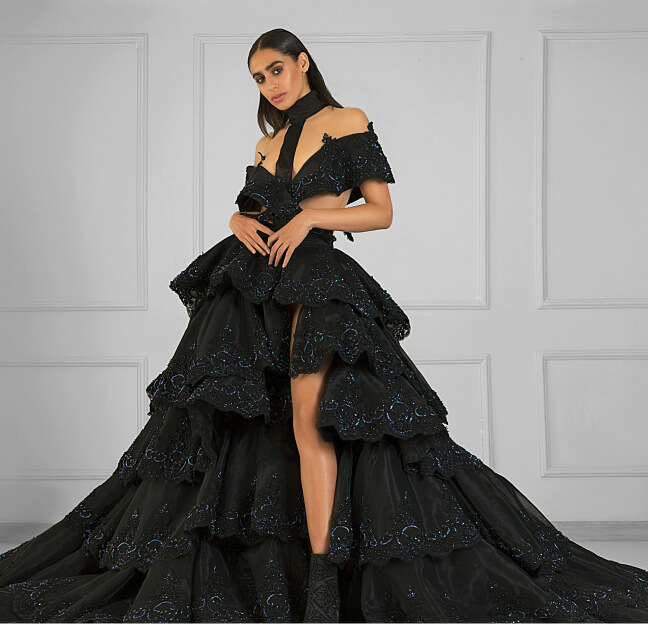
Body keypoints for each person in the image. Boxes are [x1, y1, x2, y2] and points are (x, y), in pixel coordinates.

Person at [0, 26, 647, 624]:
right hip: (250, 293)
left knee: (312, 429)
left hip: (317, 287)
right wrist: (235, 221)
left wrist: (312, 218)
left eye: (276, 70)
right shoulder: (266, 142)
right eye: (258, 78)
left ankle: (321, 585)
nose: (269, 85)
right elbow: (255, 207)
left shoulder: (346, 120)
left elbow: (381, 211)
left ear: (302, 62)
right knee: (241, 433)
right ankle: (282, 571)